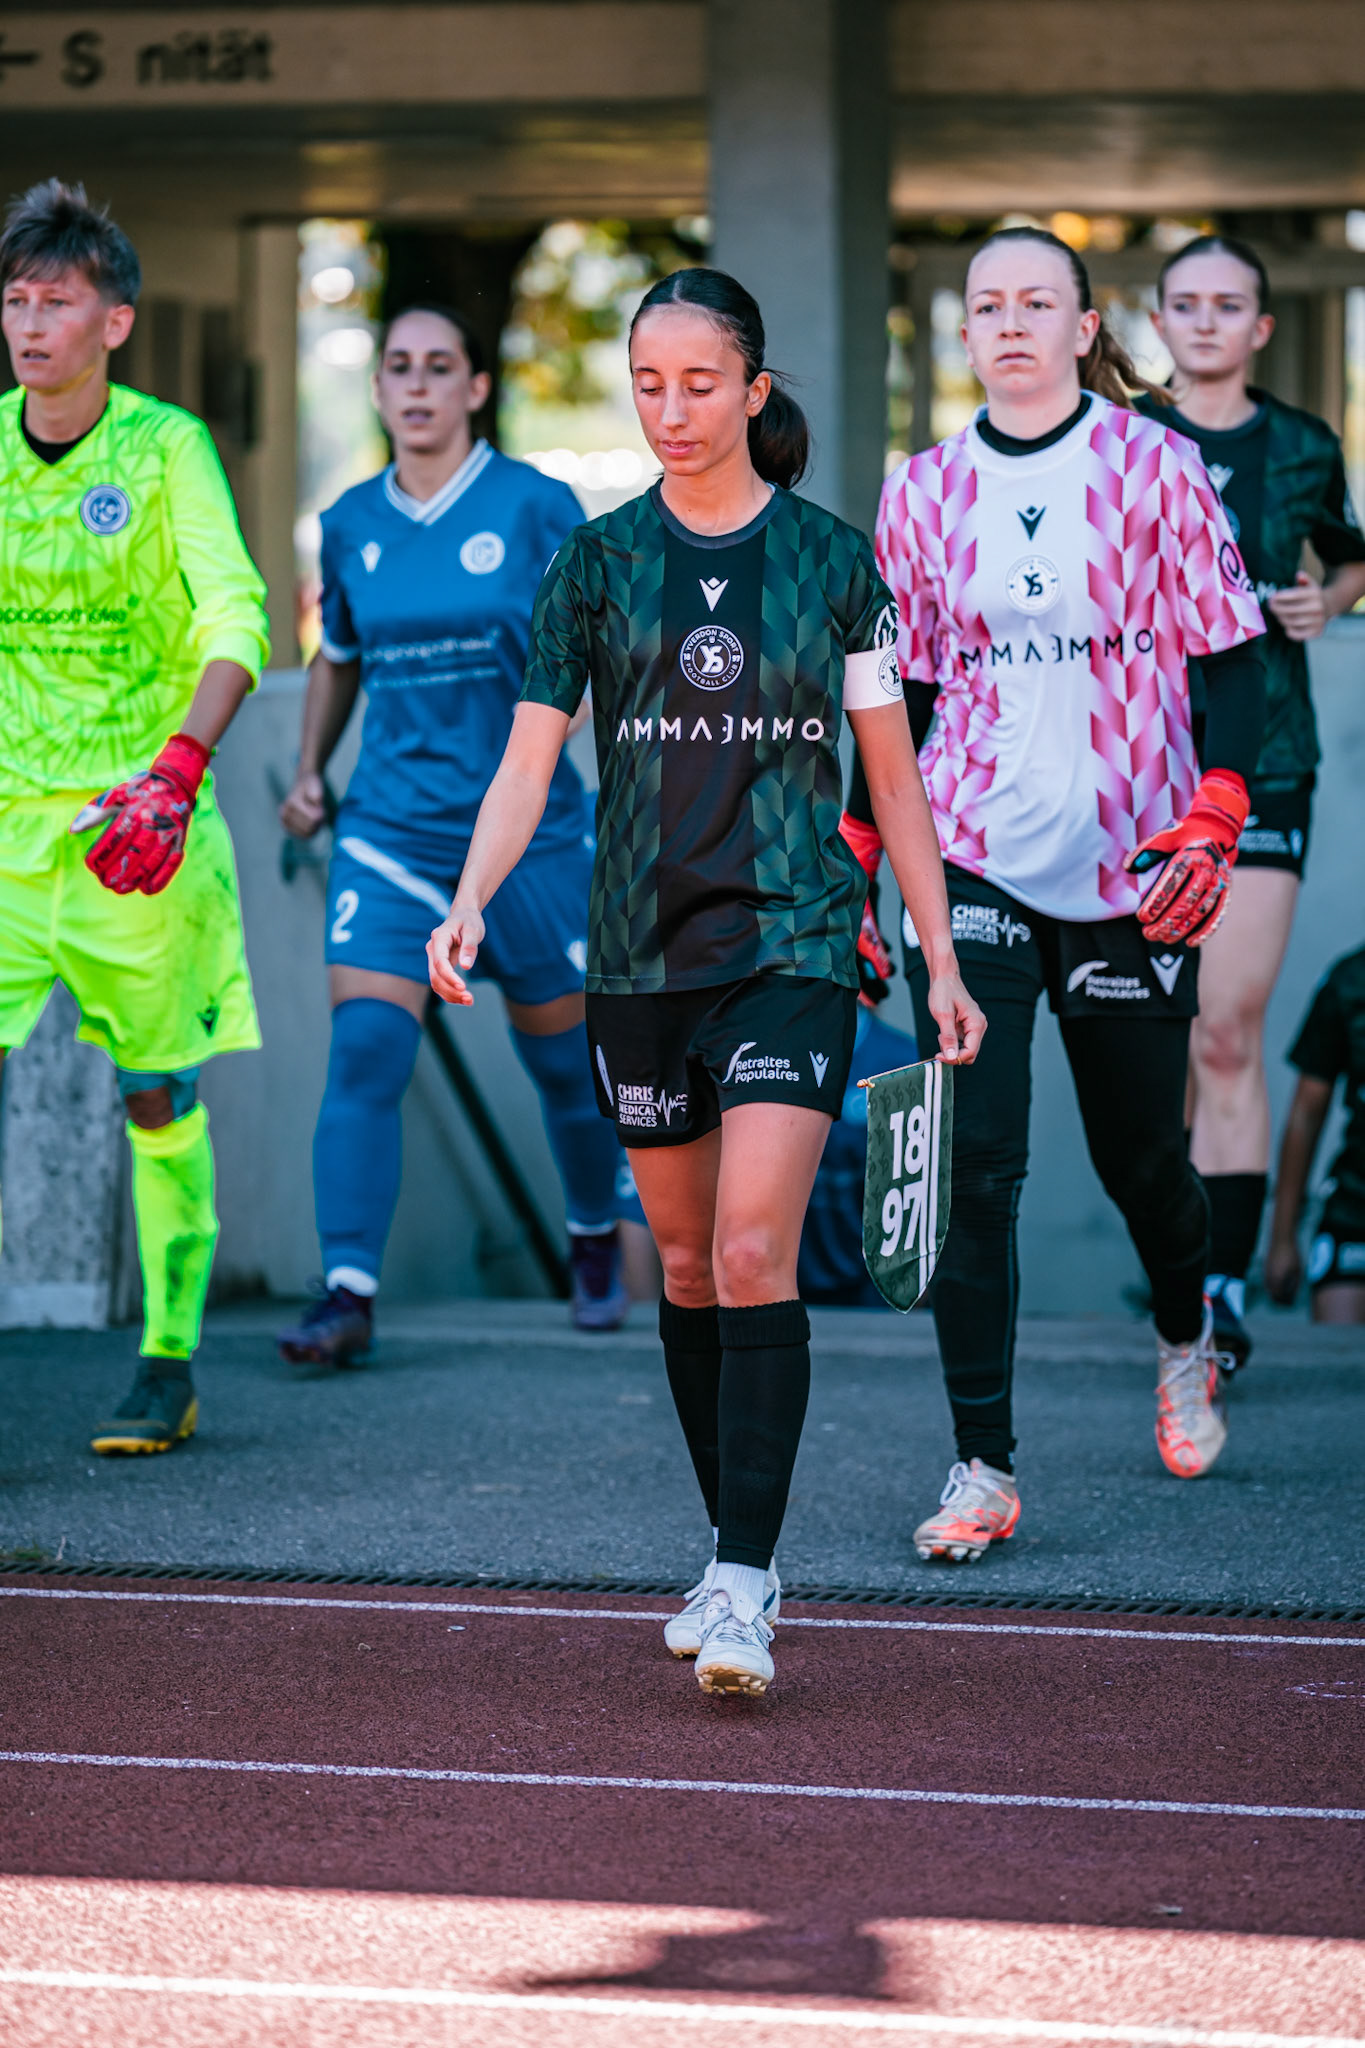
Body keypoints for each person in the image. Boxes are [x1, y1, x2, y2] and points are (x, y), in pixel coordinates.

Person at [428, 267, 983, 1694]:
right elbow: (532, 755)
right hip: (638, 959)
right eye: (649, 384)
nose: (672, 411)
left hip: (797, 946)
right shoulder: (596, 564)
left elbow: (896, 785)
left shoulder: (833, 563)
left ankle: (740, 1584)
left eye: (699, 383)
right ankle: (737, 1543)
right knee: (681, 1263)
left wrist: (935, 949)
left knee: (751, 1251)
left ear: (755, 389)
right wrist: (472, 897)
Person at [844, 224, 1267, 1558]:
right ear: (963, 334)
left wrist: (1219, 804)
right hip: (965, 858)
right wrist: (863, 857)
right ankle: (981, 1464)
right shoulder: (916, 492)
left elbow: (1230, 658)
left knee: (1144, 1158)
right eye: (987, 305)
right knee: (975, 1164)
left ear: (1086, 329)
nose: (1012, 321)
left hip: (1133, 866)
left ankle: (1185, 1334)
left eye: (1040, 301)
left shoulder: (1160, 467)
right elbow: (896, 693)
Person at [277, 303, 631, 1359]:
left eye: (441, 368)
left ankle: (592, 1232)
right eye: (399, 368)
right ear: (378, 388)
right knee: (368, 1049)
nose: (418, 386)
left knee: (566, 1066)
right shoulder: (348, 521)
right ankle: (346, 1290)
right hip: (390, 829)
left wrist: (626, 777)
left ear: (478, 387)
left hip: (529, 832)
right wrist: (307, 770)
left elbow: (604, 654)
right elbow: (338, 651)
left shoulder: (536, 506)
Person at [0, 179, 268, 1452]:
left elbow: (236, 618)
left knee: (157, 1094)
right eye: (15, 300)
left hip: (140, 826)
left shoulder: (166, 450)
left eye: (57, 301)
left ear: (114, 322)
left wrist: (176, 767)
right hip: (5, 833)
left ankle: (167, 1356)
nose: (30, 323)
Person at [1136, 236, 1365, 1370]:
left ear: (1262, 327)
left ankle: (1217, 1299)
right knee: (1162, 1038)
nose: (1209, 322)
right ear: (1160, 321)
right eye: (1188, 304)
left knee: (1225, 1029)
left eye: (1231, 306)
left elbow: (1350, 557)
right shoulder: (1123, 441)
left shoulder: (1306, 446)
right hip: (1135, 765)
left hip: (1268, 758)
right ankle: (1185, 1262)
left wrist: (1328, 596)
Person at [1264, 943, 1365, 1325]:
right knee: (1335, 1359)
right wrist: (1283, 1237)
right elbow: (1306, 1114)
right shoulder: (1350, 980)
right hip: (1355, 1212)